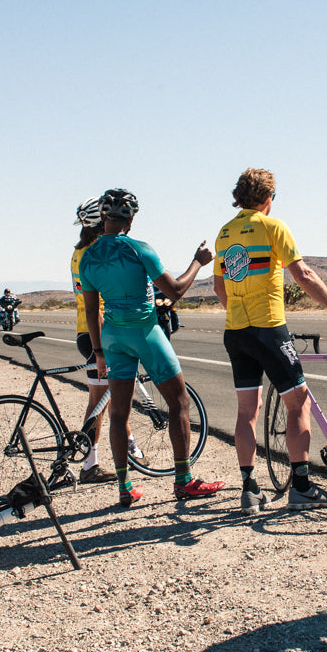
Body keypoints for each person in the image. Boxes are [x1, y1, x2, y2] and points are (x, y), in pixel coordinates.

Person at [213, 168, 327, 514]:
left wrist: (239, 314)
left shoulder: (224, 233)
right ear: (268, 197)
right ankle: (301, 487)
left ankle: (249, 490)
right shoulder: (273, 227)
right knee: (298, 403)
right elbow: (303, 274)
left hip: (236, 331)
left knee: (247, 411)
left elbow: (218, 286)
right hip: (269, 328)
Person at [78, 188, 223, 507]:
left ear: (103, 218)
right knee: (179, 402)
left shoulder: (88, 258)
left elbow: (90, 310)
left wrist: (99, 353)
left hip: (112, 337)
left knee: (119, 412)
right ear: (131, 220)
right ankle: (184, 481)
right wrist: (198, 262)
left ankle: (125, 487)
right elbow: (175, 291)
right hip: (144, 331)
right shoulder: (140, 248)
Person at [66, 196, 118, 484]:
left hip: (85, 331)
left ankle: (130, 449)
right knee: (99, 402)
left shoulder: (78, 252)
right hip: (98, 332)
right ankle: (89, 465)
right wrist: (100, 351)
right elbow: (95, 304)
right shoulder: (95, 253)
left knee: (107, 399)